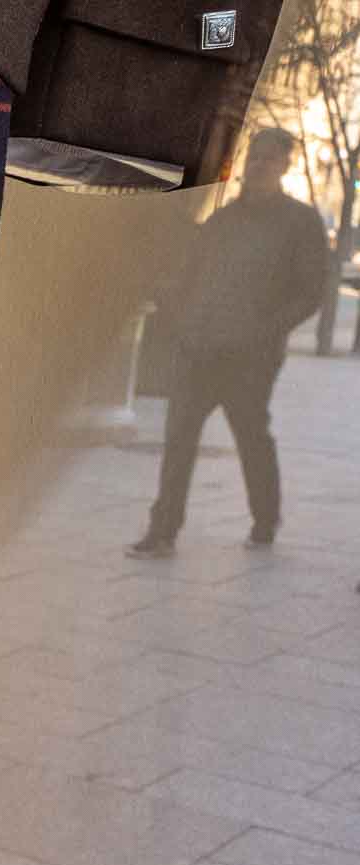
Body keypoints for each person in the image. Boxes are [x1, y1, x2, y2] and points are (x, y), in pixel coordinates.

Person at [129, 127, 327, 556]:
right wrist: (179, 319)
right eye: (255, 157)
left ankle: (265, 520)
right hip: (199, 350)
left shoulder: (300, 222)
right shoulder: (224, 221)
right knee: (179, 439)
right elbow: (189, 277)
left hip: (251, 360)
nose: (259, 165)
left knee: (252, 438)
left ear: (284, 166)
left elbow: (311, 292)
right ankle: (162, 532)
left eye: (270, 159)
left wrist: (264, 332)